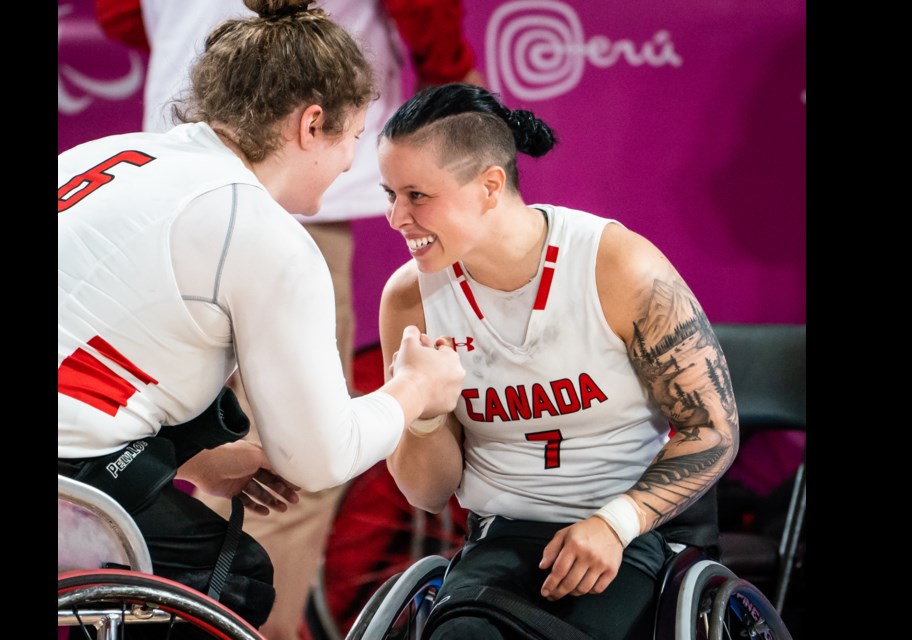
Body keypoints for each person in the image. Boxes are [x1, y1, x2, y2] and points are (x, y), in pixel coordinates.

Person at [57, 1, 466, 637]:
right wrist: (416, 388)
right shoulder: (261, 232)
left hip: (77, 458)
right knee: (236, 577)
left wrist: (194, 463)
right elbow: (320, 459)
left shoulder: (108, 154)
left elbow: (93, 342)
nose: (348, 165)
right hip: (69, 482)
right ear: (311, 125)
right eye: (352, 139)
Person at [376, 83, 739, 640]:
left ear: (489, 187)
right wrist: (425, 412)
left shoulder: (617, 266)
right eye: (389, 194)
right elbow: (427, 494)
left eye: (417, 195)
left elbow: (712, 428)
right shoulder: (409, 300)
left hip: (633, 532)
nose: (396, 216)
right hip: (501, 536)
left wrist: (615, 525)